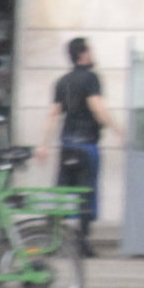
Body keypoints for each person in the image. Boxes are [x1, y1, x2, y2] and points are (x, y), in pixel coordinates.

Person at [41, 38, 120, 256]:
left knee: (62, 192)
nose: (93, 54)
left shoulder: (62, 82)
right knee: (87, 194)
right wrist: (116, 129)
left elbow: (53, 114)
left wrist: (43, 144)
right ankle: (82, 242)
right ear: (83, 54)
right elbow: (97, 107)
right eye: (90, 50)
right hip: (87, 146)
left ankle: (53, 240)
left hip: (67, 146)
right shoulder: (91, 78)